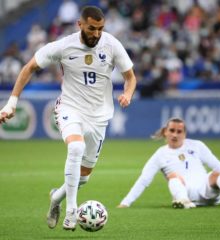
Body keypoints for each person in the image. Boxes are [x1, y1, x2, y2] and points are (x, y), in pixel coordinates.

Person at [0, 6, 137, 230]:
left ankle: (56, 198)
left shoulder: (111, 44)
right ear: (80, 25)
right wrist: (11, 103)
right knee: (75, 148)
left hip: (99, 116)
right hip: (70, 108)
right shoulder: (64, 46)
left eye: (101, 29)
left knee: (83, 177)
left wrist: (127, 94)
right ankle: (72, 210)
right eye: (92, 28)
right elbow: (29, 67)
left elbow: (130, 77)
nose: (96, 34)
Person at [118, 118, 220, 209]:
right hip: (185, 192)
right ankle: (184, 201)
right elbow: (144, 180)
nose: (175, 135)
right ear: (165, 132)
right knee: (173, 176)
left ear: (185, 134)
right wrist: (125, 203)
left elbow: (218, 165)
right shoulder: (160, 154)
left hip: (207, 191)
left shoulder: (197, 145)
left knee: (215, 174)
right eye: (172, 131)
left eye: (179, 131)